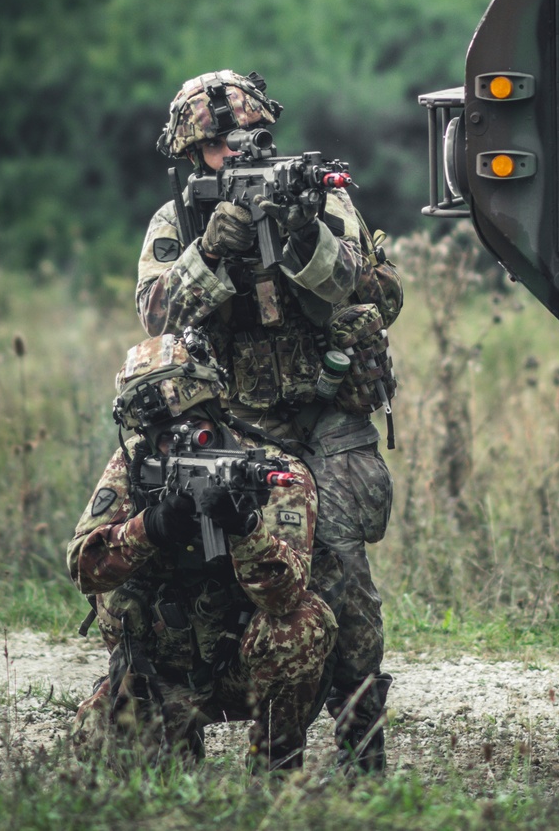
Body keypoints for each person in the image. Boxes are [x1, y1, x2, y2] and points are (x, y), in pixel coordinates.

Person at [136, 69, 402, 772]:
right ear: (195, 154)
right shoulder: (180, 219)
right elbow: (157, 315)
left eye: (249, 137)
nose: (238, 151)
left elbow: (368, 287)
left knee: (344, 579)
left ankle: (362, 751)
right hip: (234, 426)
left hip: (324, 416)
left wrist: (301, 230)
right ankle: (232, 736)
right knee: (221, 581)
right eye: (221, 144)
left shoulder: (310, 197)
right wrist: (212, 250)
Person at [68, 333, 336, 771]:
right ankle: (177, 741)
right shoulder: (133, 467)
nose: (178, 442)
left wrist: (244, 530)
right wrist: (150, 527)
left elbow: (286, 596)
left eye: (194, 425)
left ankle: (276, 768)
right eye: (161, 437)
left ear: (211, 408)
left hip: (241, 667)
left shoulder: (272, 469)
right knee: (99, 750)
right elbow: (83, 568)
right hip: (160, 673)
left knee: (302, 626)